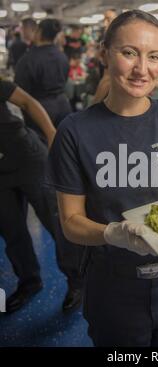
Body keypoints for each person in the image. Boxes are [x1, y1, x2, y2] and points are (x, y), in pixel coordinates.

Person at [46, 10, 158, 347]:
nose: (142, 69)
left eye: (154, 56)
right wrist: (111, 233)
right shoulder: (75, 131)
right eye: (129, 52)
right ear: (105, 53)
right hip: (115, 286)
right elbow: (71, 222)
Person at [0, 80, 84, 313]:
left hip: (28, 159)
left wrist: (51, 134)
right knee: (11, 229)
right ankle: (29, 282)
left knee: (56, 223)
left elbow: (28, 101)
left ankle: (78, 282)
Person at [15, 19, 72, 132]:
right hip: (63, 106)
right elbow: (65, 79)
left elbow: (20, 89)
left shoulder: (28, 59)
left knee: (42, 146)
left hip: (39, 109)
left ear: (39, 32)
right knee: (63, 144)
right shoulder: (62, 56)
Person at [93, 9, 118, 104]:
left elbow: (107, 78)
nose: (105, 22)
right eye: (105, 19)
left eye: (109, 19)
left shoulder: (116, 37)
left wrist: (93, 105)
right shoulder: (105, 35)